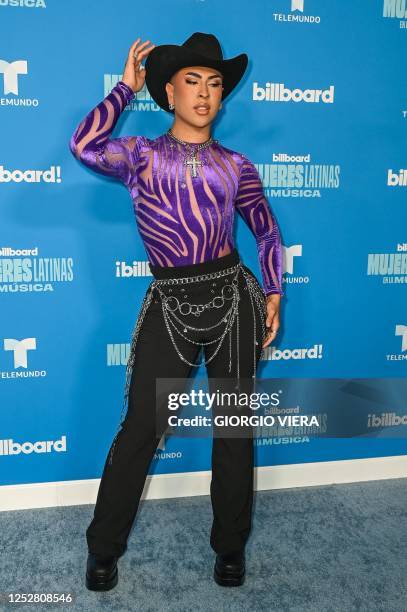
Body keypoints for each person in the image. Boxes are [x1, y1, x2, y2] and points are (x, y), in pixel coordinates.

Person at [69, 32, 284, 591]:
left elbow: (265, 229)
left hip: (235, 300)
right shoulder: (139, 154)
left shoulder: (236, 164)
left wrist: (276, 289)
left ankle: (230, 546)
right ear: (169, 90)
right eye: (193, 81)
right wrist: (124, 88)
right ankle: (103, 548)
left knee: (234, 428)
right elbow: (84, 145)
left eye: (215, 84)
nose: (206, 93)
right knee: (141, 426)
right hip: (170, 303)